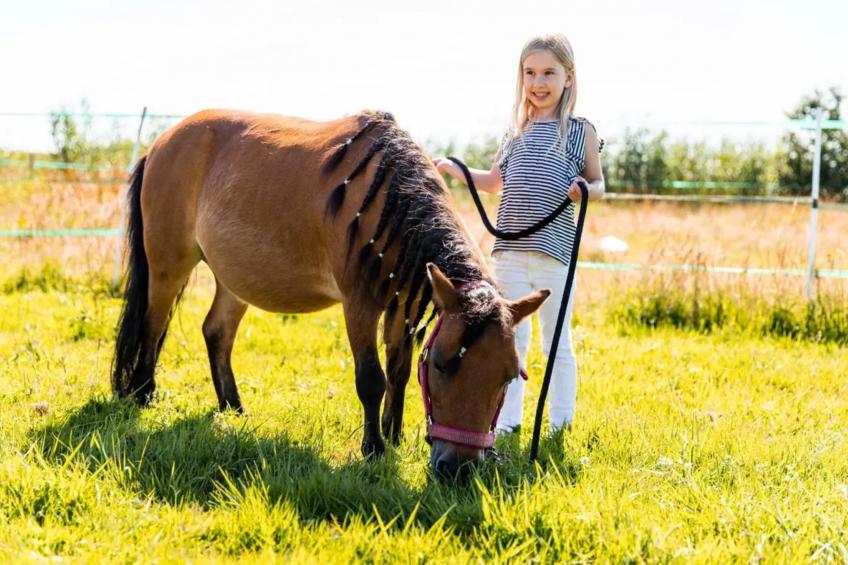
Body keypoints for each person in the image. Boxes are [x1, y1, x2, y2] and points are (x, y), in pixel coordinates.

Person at [433, 33, 605, 434]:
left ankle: (561, 423)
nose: (538, 83)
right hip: (509, 254)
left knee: (557, 343)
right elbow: (494, 181)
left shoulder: (581, 132)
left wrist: (584, 190)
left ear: (569, 77)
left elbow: (598, 184)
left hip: (554, 256)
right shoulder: (514, 133)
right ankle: (508, 423)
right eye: (530, 73)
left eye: (549, 73)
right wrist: (453, 168)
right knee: (510, 342)